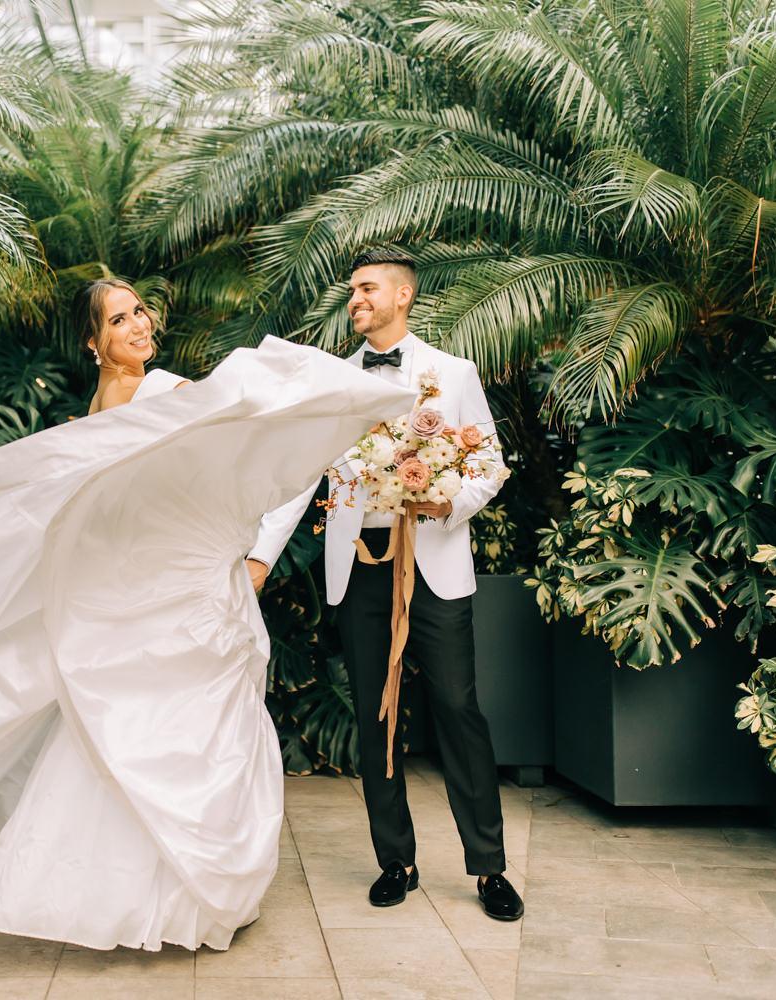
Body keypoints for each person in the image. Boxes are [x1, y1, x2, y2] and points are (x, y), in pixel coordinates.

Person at [0, 278, 414, 951]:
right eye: (119, 319)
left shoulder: (134, 402)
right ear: (93, 342)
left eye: (140, 311)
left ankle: (164, 898)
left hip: (173, 594)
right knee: (148, 732)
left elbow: (221, 469)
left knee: (166, 733)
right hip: (151, 599)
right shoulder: (127, 407)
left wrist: (244, 548)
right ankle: (149, 900)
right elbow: (178, 473)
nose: (139, 325)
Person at [247, 249, 525, 921]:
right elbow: (299, 476)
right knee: (376, 715)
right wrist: (259, 557)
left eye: (367, 288)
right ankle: (395, 860)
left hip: (434, 563)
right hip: (359, 567)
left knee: (458, 708)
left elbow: (488, 461)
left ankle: (489, 867)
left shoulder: (453, 373)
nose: (356, 300)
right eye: (352, 291)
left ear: (403, 295)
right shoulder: (335, 381)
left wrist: (449, 501)